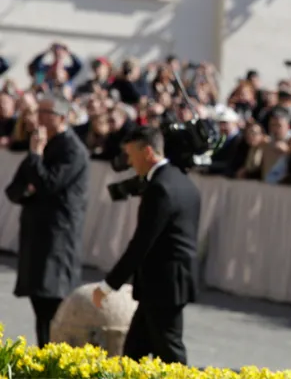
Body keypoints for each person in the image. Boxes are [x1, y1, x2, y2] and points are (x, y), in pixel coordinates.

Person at [92, 126, 201, 365]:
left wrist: (108, 285)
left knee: (170, 353)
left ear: (148, 152)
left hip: (165, 284)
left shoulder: (161, 188)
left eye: (131, 155)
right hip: (165, 283)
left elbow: (141, 243)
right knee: (134, 354)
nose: (130, 162)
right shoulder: (181, 180)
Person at [4, 94, 90, 347]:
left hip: (57, 239)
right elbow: (14, 189)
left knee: (53, 304)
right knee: (39, 304)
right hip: (36, 233)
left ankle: (54, 362)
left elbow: (48, 184)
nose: (36, 117)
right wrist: (30, 185)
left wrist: (36, 158)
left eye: (44, 112)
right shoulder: (43, 145)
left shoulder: (71, 149)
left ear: (61, 117)